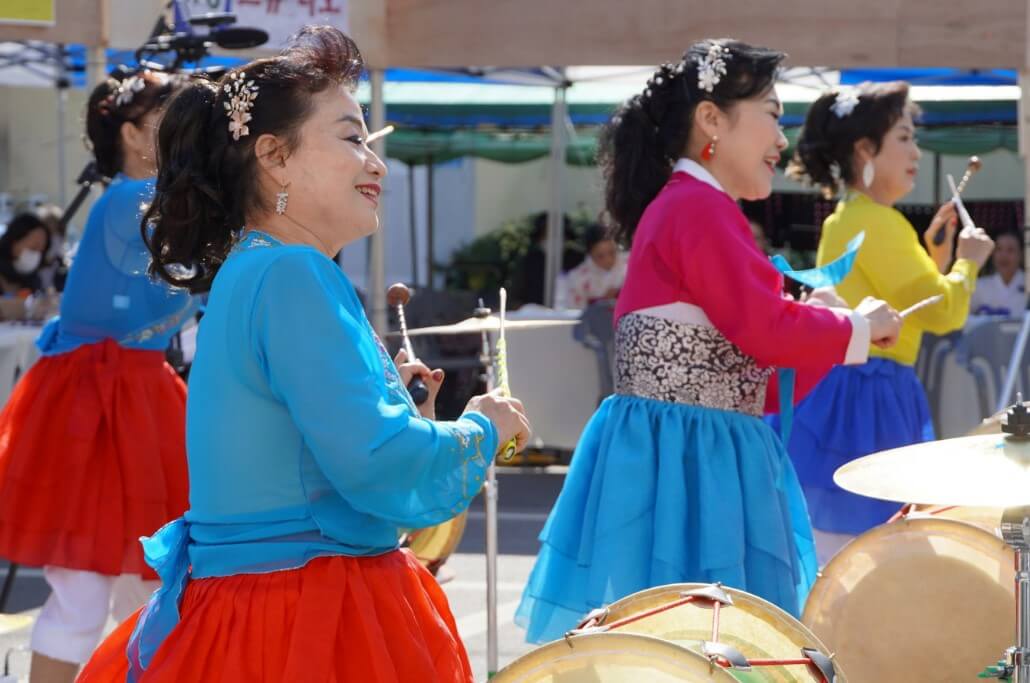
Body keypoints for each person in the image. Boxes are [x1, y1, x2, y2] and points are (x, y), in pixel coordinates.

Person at [77, 27, 530, 682]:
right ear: (274, 156)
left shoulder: (255, 267)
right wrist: (486, 427)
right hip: (300, 617)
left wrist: (391, 394)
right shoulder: (293, 272)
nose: (375, 163)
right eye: (352, 138)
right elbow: (380, 462)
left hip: (256, 608)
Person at [514, 39, 903, 644]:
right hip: (689, 462)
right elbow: (767, 332)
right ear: (711, 119)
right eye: (773, 114)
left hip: (697, 455)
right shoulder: (697, 208)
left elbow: (762, 381)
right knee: (703, 642)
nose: (783, 139)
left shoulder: (692, 207)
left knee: (690, 642)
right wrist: (858, 326)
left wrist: (833, 332)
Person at [0, 71, 197, 683]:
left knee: (147, 586)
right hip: (93, 402)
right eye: (169, 118)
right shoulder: (127, 202)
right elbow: (193, 265)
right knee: (85, 589)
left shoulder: (158, 201)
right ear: (134, 133)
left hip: (140, 395)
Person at [781, 81, 994, 557]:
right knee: (877, 544)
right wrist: (968, 262)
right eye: (903, 137)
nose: (916, 150)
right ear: (865, 149)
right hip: (871, 396)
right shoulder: (879, 221)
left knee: (839, 543)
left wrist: (936, 261)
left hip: (842, 389)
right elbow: (944, 312)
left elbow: (905, 304)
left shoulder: (846, 217)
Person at [555, 223, 627, 309]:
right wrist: (603, 301)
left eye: (612, 252)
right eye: (600, 256)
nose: (608, 260)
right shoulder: (578, 277)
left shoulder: (629, 265)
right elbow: (576, 311)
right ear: (590, 253)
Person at [970, 229, 1024, 318]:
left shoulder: (1027, 284)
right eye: (999, 249)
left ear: (1021, 254)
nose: (1004, 255)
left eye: (1010, 250)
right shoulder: (978, 286)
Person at [0, 212, 50, 295]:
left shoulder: (35, 282)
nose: (37, 256)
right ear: (14, 242)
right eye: (33, 248)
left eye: (41, 251)